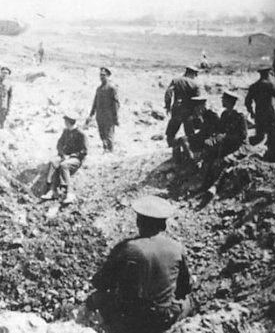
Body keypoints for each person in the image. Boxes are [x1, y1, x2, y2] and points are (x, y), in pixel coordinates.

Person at [81, 195, 194, 333]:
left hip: (132, 320)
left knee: (97, 298)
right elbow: (185, 288)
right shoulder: (177, 248)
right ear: (163, 225)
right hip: (165, 318)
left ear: (138, 222)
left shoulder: (126, 248)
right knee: (189, 301)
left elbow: (101, 283)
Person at [200, 91, 248, 194]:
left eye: (224, 99)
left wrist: (226, 137)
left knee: (226, 160)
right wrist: (214, 139)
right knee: (210, 155)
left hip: (240, 146)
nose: (222, 100)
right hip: (228, 144)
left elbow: (243, 136)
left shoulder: (240, 116)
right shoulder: (225, 114)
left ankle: (215, 186)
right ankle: (203, 184)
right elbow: (220, 130)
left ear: (230, 102)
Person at [41, 114, 87, 203]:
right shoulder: (66, 132)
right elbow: (59, 144)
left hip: (76, 158)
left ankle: (69, 193)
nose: (65, 123)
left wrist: (71, 156)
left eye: (66, 121)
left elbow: (84, 151)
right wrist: (62, 155)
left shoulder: (81, 134)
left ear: (69, 122)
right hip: (65, 156)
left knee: (64, 165)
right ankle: (52, 190)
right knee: (54, 162)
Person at [173, 96, 220, 166]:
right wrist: (196, 118)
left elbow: (217, 131)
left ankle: (193, 162)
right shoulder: (200, 115)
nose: (196, 110)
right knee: (181, 140)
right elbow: (196, 128)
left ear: (202, 107)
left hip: (209, 140)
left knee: (185, 141)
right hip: (201, 137)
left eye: (198, 108)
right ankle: (183, 162)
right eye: (196, 108)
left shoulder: (212, 115)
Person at [164, 66, 201, 148]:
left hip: (177, 109)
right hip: (189, 111)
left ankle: (173, 148)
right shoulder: (195, 84)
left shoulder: (175, 80)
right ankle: (189, 149)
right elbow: (198, 100)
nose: (195, 77)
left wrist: (167, 106)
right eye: (195, 74)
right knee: (190, 133)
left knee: (171, 132)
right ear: (192, 73)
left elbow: (168, 93)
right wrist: (197, 113)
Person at [244, 67, 275, 146]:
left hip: (259, 114)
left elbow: (247, 102)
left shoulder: (254, 86)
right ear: (267, 74)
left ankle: (249, 146)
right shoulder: (269, 85)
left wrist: (251, 112)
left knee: (259, 136)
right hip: (269, 114)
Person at [87, 67, 120, 152]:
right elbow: (95, 102)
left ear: (108, 76)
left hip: (109, 117)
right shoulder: (99, 89)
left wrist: (116, 118)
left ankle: (111, 151)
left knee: (109, 135)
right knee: (102, 135)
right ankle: (105, 149)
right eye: (100, 75)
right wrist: (91, 114)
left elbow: (116, 104)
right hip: (100, 116)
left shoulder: (112, 88)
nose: (101, 77)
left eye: (104, 75)